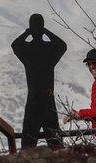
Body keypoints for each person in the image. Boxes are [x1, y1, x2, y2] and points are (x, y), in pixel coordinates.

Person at [11, 14, 66, 148]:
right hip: (47, 98)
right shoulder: (49, 49)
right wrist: (45, 31)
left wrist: (29, 32)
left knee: (29, 141)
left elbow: (15, 44)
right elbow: (62, 45)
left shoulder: (27, 49)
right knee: (55, 142)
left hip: (34, 98)